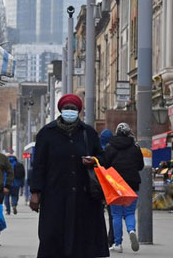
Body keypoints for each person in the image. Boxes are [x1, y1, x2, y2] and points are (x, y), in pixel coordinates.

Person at [29, 94, 109, 258]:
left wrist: (94, 160)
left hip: (84, 197)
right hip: (55, 195)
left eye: (73, 109)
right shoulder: (47, 133)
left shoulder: (88, 132)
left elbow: (103, 158)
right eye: (67, 108)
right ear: (61, 110)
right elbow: (38, 165)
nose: (70, 112)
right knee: (53, 238)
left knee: (83, 240)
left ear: (78, 111)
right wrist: (35, 192)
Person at [105, 122, 144, 253]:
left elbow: (105, 166)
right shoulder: (135, 147)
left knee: (116, 214)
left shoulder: (110, 146)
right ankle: (131, 230)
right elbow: (140, 166)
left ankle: (117, 244)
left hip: (115, 185)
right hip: (132, 183)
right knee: (129, 213)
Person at [99, 128, 115, 247]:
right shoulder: (113, 150)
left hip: (99, 186)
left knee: (98, 214)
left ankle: (100, 239)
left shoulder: (99, 150)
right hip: (112, 185)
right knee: (113, 215)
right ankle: (112, 239)